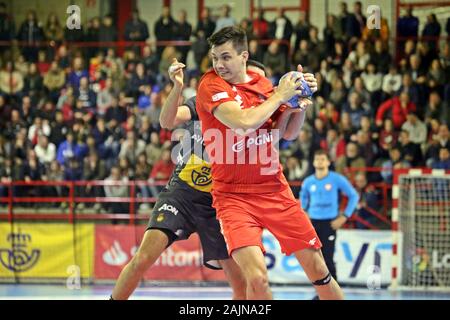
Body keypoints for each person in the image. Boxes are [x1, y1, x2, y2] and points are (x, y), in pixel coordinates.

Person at [110, 55, 317, 300]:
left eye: (254, 79)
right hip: (182, 195)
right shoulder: (211, 99)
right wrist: (177, 87)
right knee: (143, 258)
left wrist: (296, 104)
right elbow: (168, 120)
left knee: (242, 282)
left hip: (225, 204)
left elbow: (289, 132)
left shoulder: (264, 115)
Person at [196, 26, 344, 300]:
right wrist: (280, 95)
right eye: (215, 57)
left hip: (275, 191)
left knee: (320, 271)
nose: (219, 64)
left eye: (226, 57)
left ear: (244, 56)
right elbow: (243, 123)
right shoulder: (210, 84)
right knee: (258, 278)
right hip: (233, 197)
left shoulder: (263, 87)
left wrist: (297, 102)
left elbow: (286, 133)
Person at [300, 150, 359, 289]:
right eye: (317, 159)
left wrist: (344, 217)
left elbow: (354, 196)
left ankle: (334, 292)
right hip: (312, 224)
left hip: (329, 223)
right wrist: (305, 213)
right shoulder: (308, 182)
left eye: (322, 159)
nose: (320, 162)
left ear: (328, 162)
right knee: (314, 260)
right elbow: (303, 200)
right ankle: (321, 292)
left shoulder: (336, 179)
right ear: (314, 162)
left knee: (328, 258)